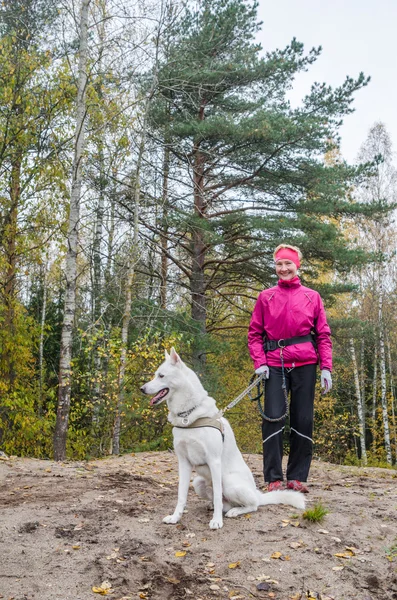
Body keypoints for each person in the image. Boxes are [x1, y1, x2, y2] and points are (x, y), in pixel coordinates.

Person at [247, 244, 332, 493]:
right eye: (279, 264)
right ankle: (273, 478)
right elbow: (254, 334)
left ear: (298, 265)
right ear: (275, 267)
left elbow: (324, 335)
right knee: (273, 417)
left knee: (302, 419)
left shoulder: (312, 296)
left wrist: (326, 367)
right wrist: (260, 362)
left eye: (288, 263)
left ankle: (296, 477)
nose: (283, 268)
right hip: (274, 364)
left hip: (306, 364)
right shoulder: (266, 297)